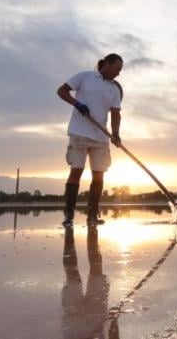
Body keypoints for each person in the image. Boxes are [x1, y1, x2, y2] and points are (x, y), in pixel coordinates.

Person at [56, 53, 123, 227]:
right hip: (79, 133)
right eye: (117, 69)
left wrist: (115, 133)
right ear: (106, 64)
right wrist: (77, 104)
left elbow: (116, 113)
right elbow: (61, 91)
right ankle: (69, 216)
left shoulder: (115, 89)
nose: (118, 73)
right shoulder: (85, 76)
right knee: (76, 172)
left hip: (101, 137)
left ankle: (92, 216)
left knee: (99, 174)